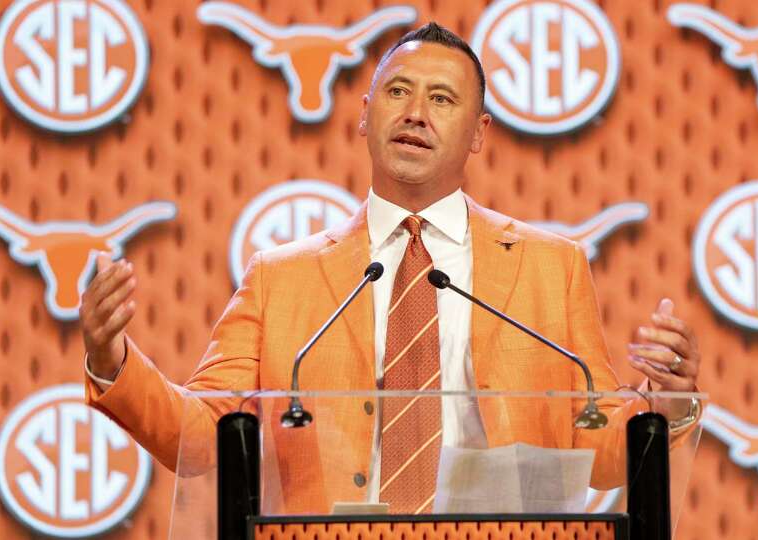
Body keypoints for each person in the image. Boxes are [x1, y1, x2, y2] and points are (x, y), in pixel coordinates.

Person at [80, 23, 701, 513]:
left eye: (442, 99)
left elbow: (589, 445)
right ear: (364, 114)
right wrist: (114, 366)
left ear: (479, 133)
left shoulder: (551, 268)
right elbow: (202, 438)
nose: (415, 113)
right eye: (398, 92)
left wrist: (665, 406)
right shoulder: (279, 278)